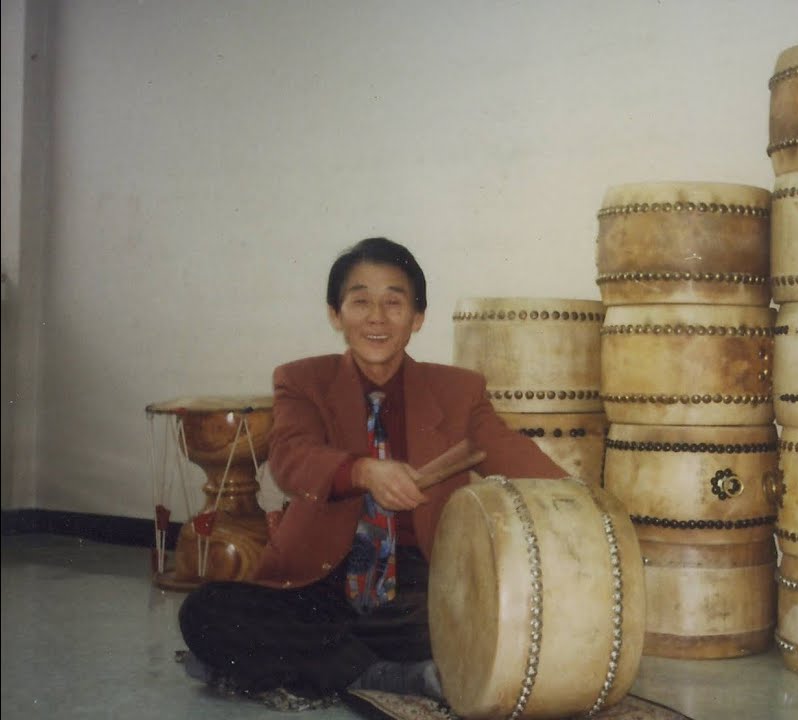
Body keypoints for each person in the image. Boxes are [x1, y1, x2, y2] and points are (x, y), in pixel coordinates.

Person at [178, 237, 566, 704]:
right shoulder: (303, 380)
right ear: (335, 314)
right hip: (320, 583)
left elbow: (509, 452)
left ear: (417, 318)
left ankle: (308, 665)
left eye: (393, 302)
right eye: (360, 301)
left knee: (490, 623)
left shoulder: (458, 390)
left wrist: (581, 500)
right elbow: (291, 458)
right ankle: (378, 675)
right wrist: (362, 471)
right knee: (205, 611)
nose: (376, 317)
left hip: (416, 588)